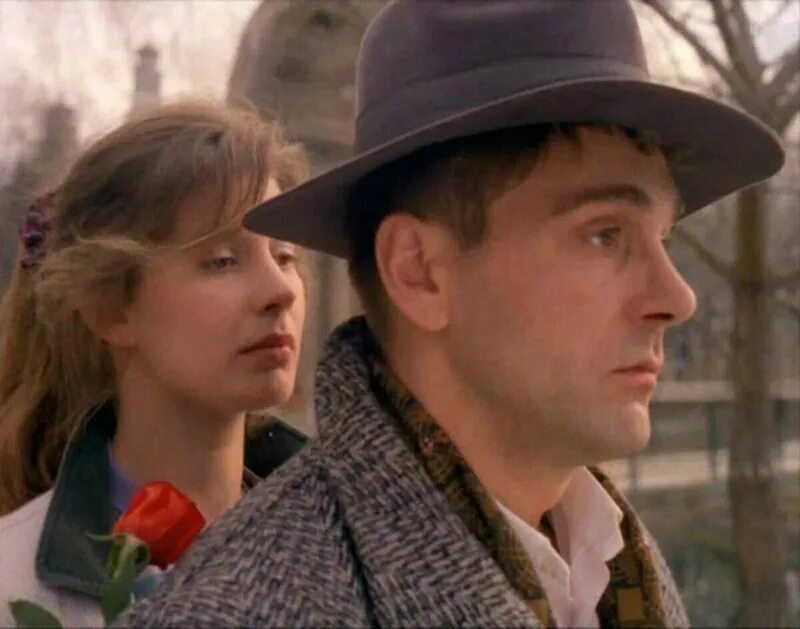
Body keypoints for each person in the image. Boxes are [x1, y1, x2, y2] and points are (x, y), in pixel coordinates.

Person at [120, 2, 784, 627]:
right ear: (420, 272)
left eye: (662, 237)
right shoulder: (238, 610)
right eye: (604, 234)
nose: (676, 297)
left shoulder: (614, 564)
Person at [0, 101, 309, 627]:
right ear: (111, 310)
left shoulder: (370, 553)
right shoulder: (14, 586)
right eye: (222, 261)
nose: (280, 290)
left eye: (285, 256)